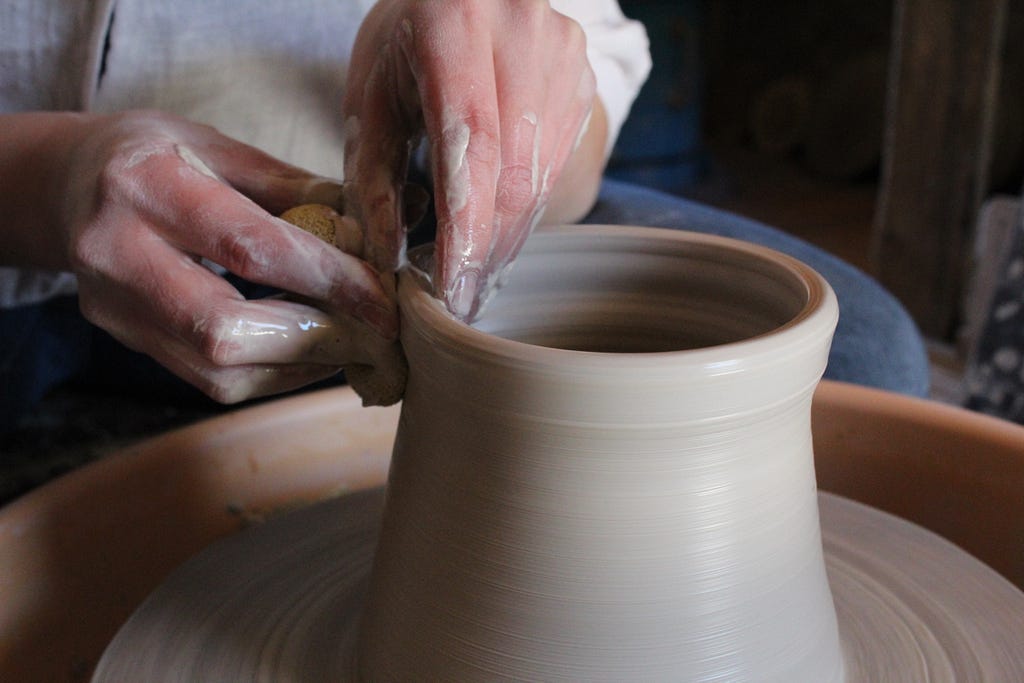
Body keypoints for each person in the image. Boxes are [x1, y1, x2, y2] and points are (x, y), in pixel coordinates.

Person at [0, 0, 928, 433]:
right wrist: (50, 178)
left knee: (859, 362)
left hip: (396, 220)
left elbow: (581, 57)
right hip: (27, 246)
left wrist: (508, 138)